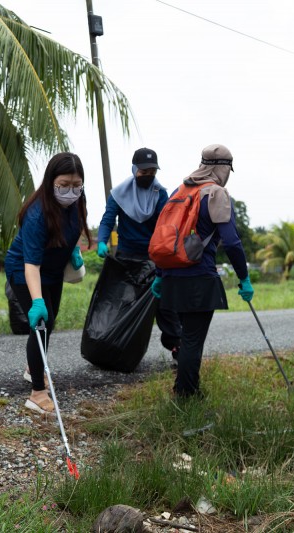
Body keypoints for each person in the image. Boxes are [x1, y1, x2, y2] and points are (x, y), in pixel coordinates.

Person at [154, 144, 253, 397]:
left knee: (187, 335)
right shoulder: (215, 193)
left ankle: (183, 387)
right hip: (199, 278)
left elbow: (167, 236)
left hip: (172, 277)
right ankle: (187, 395)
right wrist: (244, 278)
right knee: (192, 340)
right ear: (224, 168)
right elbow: (231, 242)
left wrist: (159, 275)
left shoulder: (181, 190)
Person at [4, 152, 91, 414]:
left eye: (76, 185)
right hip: (25, 269)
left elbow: (74, 227)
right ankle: (37, 394)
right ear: (51, 181)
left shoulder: (78, 201)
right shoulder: (37, 214)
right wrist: (37, 301)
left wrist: (73, 250)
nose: (70, 191)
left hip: (53, 269)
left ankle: (34, 368)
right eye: (64, 185)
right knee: (41, 323)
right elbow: (31, 263)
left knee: (49, 322)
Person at [96, 147, 182, 359]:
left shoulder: (160, 193)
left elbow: (165, 225)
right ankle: (117, 346)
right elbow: (108, 219)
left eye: (152, 172)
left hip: (154, 257)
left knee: (163, 304)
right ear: (134, 169)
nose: (148, 176)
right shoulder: (119, 194)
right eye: (144, 172)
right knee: (124, 302)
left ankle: (176, 346)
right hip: (127, 257)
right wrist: (101, 240)